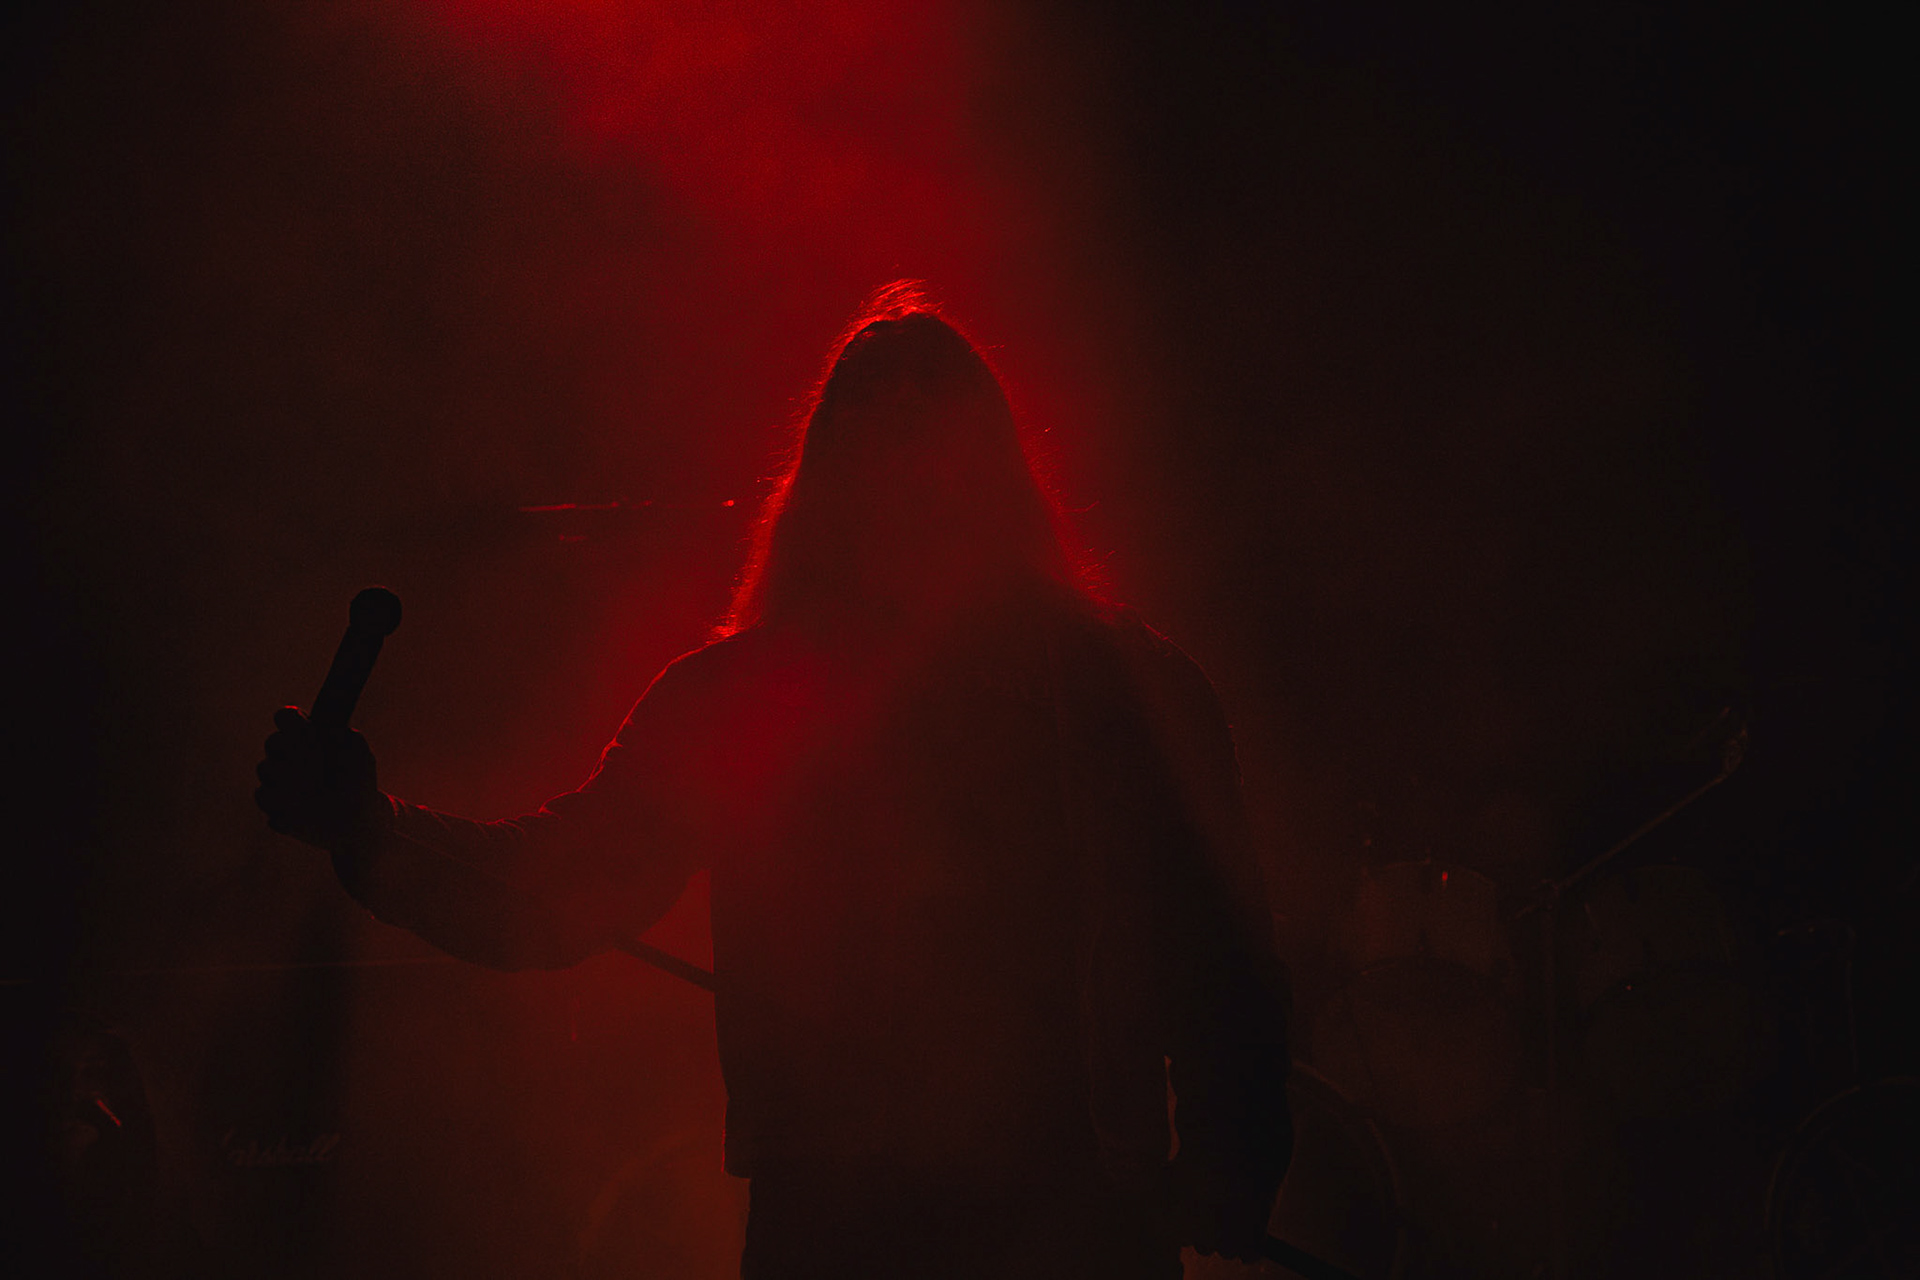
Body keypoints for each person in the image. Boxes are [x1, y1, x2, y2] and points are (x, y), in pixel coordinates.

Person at [255, 284, 1292, 1279]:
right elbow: (561, 889)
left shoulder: (1121, 690)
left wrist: (1232, 1149)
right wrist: (372, 831)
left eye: (932, 438)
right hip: (845, 1226)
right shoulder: (748, 701)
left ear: (991, 473)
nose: (909, 472)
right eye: (878, 438)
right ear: (829, 483)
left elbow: (1222, 951)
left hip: (1066, 1220)